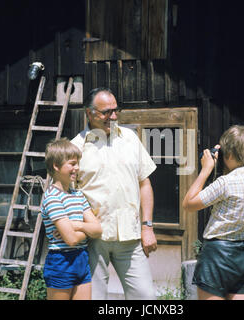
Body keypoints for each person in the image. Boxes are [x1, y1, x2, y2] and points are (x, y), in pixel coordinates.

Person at [71, 87, 157, 300]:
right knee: (94, 299)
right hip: (94, 239)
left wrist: (147, 227)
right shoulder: (76, 147)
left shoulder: (130, 138)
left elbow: (144, 183)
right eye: (106, 112)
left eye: (116, 110)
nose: (114, 116)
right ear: (89, 113)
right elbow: (69, 196)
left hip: (130, 235)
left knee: (145, 297)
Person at [183, 125, 244, 300]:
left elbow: (188, 204)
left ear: (228, 154)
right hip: (243, 254)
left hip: (216, 256)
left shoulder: (226, 183)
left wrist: (206, 170)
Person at [41, 138, 102, 300]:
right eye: (72, 164)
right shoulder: (52, 198)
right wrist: (85, 228)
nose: (77, 168)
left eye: (78, 164)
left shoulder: (78, 194)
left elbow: (98, 230)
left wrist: (75, 225)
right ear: (56, 166)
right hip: (61, 262)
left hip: (81, 258)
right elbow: (71, 239)